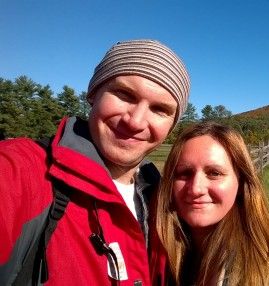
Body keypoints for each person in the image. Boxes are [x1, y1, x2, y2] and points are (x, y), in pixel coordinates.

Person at [0, 39, 190, 285]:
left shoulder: (165, 201)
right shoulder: (23, 170)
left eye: (159, 109)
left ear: (171, 126)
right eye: (125, 94)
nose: (136, 121)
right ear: (93, 93)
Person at [156, 122, 269, 286]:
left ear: (240, 183)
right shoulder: (157, 248)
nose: (196, 189)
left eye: (214, 173)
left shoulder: (263, 268)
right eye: (184, 173)